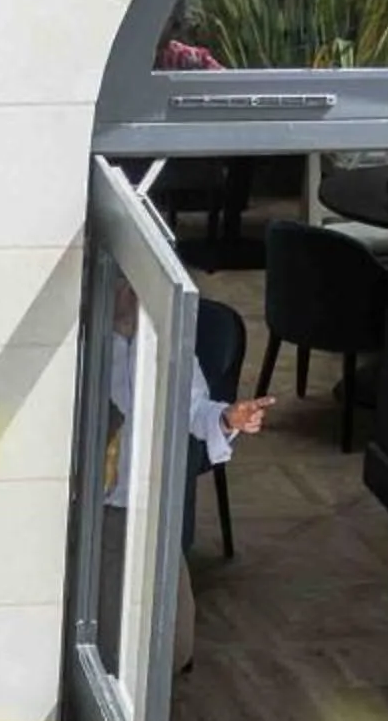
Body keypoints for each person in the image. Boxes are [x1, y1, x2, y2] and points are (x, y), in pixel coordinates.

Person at [101, 281, 268, 674]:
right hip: (100, 507)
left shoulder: (167, 343)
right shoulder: (83, 341)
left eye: (134, 284)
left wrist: (228, 418)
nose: (127, 292)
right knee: (107, 636)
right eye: (120, 282)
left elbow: (196, 409)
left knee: (175, 645)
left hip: (151, 502)